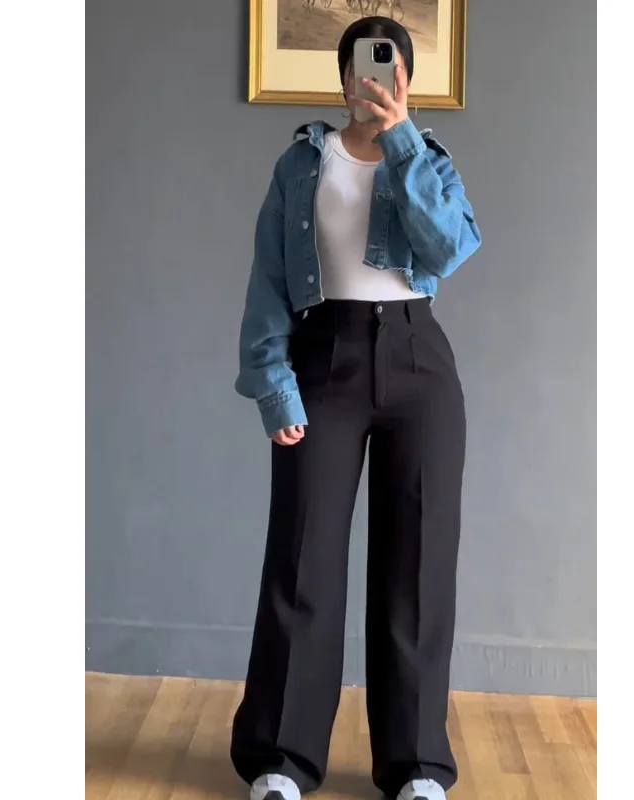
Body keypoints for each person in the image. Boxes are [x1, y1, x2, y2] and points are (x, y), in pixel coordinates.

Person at [230, 15, 481, 800]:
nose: (376, 81)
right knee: (302, 559)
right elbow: (269, 280)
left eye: (392, 69)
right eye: (365, 69)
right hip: (324, 359)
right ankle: (281, 761)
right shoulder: (301, 163)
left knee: (419, 568)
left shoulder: (429, 159)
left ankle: (417, 768)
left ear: (407, 80)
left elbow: (450, 250)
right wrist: (274, 385)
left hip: (418, 362)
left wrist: (402, 140)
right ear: (342, 79)